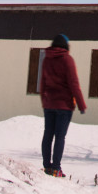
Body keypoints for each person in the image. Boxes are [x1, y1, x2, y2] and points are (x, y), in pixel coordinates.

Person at [40, 33, 86, 177]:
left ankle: (47, 166)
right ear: (66, 45)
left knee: (48, 134)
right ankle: (56, 168)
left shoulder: (47, 59)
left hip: (49, 104)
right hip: (64, 105)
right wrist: (81, 104)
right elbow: (74, 83)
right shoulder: (67, 60)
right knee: (60, 137)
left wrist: (44, 100)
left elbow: (42, 82)